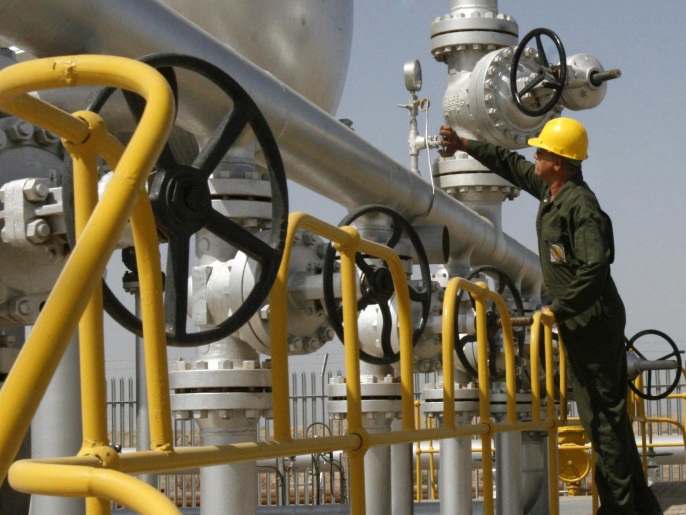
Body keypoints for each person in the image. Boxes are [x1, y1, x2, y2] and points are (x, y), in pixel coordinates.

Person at [439, 118, 662, 515]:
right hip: (580, 320)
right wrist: (465, 145)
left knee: (604, 422)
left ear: (559, 162)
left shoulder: (582, 207)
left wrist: (556, 310)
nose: (535, 157)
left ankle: (620, 508)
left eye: (541, 152)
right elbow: (510, 164)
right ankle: (639, 504)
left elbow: (595, 269)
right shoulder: (551, 190)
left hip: (593, 321)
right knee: (606, 418)